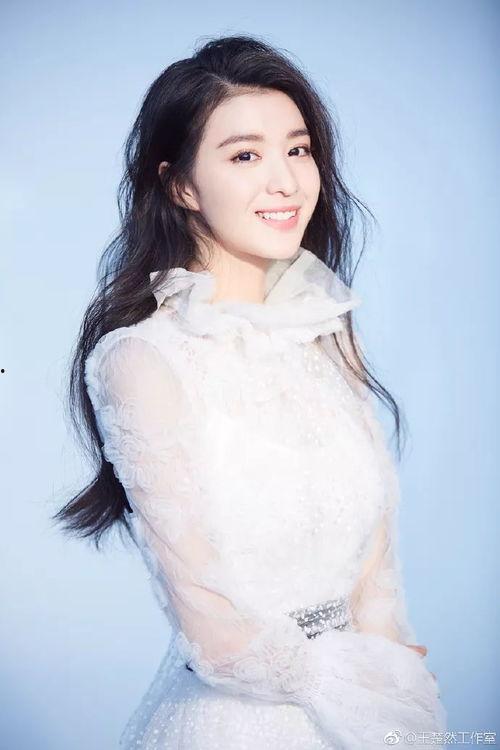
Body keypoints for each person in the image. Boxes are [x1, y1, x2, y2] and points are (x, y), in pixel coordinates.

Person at [52, 34, 447, 749]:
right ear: (180, 185)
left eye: (298, 150)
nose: (286, 182)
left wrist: (400, 688)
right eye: (245, 156)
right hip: (241, 721)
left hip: (370, 714)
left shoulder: (325, 332)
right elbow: (215, 632)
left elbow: (375, 570)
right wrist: (367, 685)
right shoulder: (142, 359)